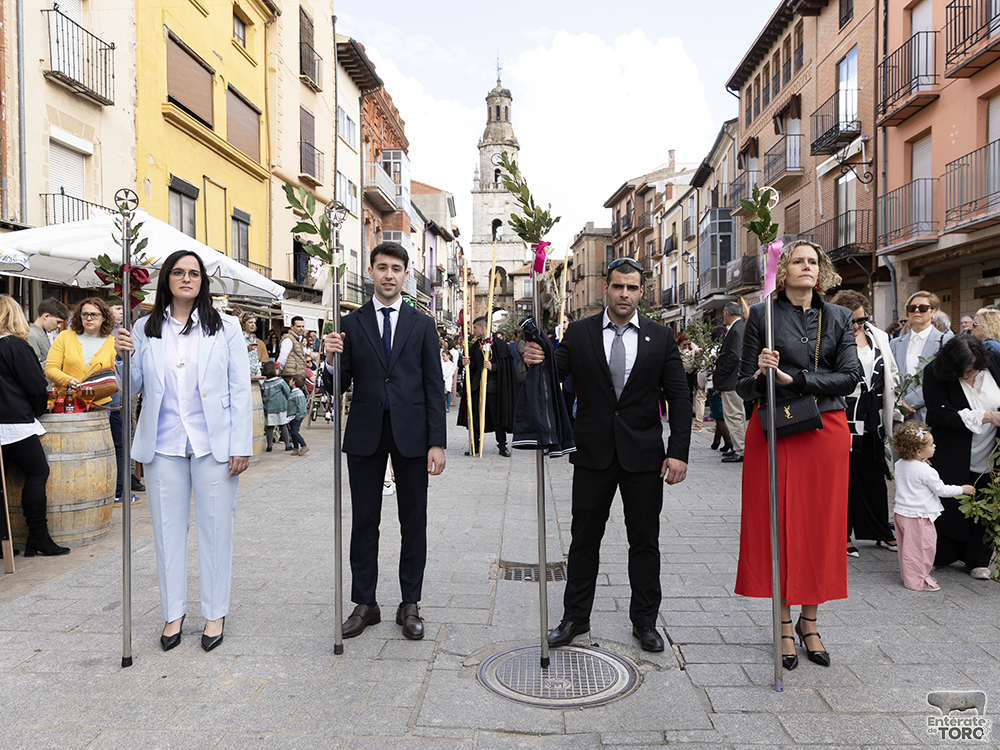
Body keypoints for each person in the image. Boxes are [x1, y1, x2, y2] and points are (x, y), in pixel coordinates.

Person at [523, 256, 691, 653]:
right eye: (618, 286)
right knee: (583, 541)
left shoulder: (661, 337)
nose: (625, 295)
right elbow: (551, 373)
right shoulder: (579, 334)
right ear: (606, 288)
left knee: (645, 542)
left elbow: (679, 398)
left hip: (644, 457)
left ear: (641, 291)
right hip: (593, 455)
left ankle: (645, 622)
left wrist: (678, 452)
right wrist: (533, 357)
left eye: (632, 288)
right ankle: (575, 618)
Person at [114, 249, 251, 652]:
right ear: (167, 280)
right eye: (178, 272)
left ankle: (214, 614)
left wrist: (241, 444)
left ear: (202, 281)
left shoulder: (225, 327)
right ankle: (173, 613)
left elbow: (239, 388)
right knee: (167, 532)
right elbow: (132, 386)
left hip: (215, 443)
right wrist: (121, 355)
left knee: (215, 529)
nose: (186, 279)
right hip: (163, 443)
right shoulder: (144, 328)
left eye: (193, 273)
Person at [735, 240, 861, 670]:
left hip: (824, 429)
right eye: (797, 260)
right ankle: (783, 625)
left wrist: (799, 378)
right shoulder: (761, 315)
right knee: (775, 523)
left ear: (820, 271)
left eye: (812, 261)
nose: (805, 267)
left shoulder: (840, 316)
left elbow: (850, 377)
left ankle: (811, 622)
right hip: (774, 428)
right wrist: (760, 373)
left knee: (819, 529)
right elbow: (739, 382)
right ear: (782, 269)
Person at [323, 241, 446, 641]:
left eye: (396, 268)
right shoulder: (351, 323)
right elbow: (338, 384)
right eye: (381, 267)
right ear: (371, 273)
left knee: (414, 521)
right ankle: (365, 603)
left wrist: (437, 442)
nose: (389, 274)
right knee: (364, 521)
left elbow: (433, 386)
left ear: (406, 274)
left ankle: (410, 603)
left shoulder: (422, 324)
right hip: (365, 431)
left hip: (413, 435)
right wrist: (330, 360)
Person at [45, 297, 138, 507]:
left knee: (95, 453)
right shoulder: (65, 337)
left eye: (94, 314)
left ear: (104, 317)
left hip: (99, 407)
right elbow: (50, 368)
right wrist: (69, 380)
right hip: (68, 405)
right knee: (70, 453)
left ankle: (97, 496)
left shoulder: (110, 342)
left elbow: (119, 371)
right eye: (84, 314)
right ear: (78, 316)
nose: (89, 318)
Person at [922, 335, 1000, 579]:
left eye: (972, 371)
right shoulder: (934, 373)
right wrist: (987, 416)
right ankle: (943, 555)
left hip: (991, 451)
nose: (968, 376)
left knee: (986, 502)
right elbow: (938, 415)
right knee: (951, 503)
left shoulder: (994, 362)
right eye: (963, 373)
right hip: (953, 451)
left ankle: (978, 560)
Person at [830, 289, 900, 558]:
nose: (859, 325)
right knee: (843, 479)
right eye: (853, 321)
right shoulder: (831, 337)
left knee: (873, 476)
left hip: (872, 418)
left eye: (863, 319)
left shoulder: (878, 335)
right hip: (843, 415)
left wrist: (895, 402)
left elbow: (890, 370)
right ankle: (842, 534)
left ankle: (880, 530)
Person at [0, 295, 69, 558]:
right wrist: (39, 409)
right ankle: (38, 537)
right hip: (14, 421)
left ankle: (4, 543)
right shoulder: (16, 346)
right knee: (38, 472)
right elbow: (37, 386)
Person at [891, 422, 975, 592]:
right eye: (930, 444)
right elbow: (941, 490)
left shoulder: (900, 464)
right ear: (918, 451)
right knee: (924, 549)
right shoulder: (926, 471)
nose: (935, 446)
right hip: (919, 516)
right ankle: (918, 580)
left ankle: (911, 575)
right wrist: (963, 489)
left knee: (907, 547)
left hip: (901, 512)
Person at [890, 291, 952, 422]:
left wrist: (910, 402)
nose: (916, 311)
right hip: (898, 413)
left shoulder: (944, 341)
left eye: (923, 308)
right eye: (912, 308)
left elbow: (943, 379)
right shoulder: (895, 343)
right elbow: (890, 376)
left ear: (933, 312)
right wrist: (898, 403)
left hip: (929, 412)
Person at [459, 316, 516, 457]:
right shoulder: (475, 345)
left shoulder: (500, 345)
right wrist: (467, 362)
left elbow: (507, 367)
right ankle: (476, 445)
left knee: (497, 417)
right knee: (476, 417)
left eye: (475, 328)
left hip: (493, 388)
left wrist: (493, 366)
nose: (473, 331)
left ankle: (502, 446)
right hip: (477, 387)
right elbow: (473, 368)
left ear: (482, 328)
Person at [714, 301, 745, 462]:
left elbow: (734, 356)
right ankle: (737, 447)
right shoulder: (738, 328)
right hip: (732, 380)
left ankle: (740, 449)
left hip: (731, 380)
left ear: (727, 313)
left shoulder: (737, 329)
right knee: (733, 414)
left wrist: (721, 372)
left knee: (734, 414)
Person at [27, 297, 68, 368]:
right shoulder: (32, 335)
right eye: (58, 322)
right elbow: (34, 367)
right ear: (46, 316)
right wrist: (59, 360)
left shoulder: (40, 333)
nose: (59, 326)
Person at [260, 361, 291, 452]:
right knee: (283, 425)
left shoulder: (264, 384)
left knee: (270, 427)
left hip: (269, 409)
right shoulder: (280, 381)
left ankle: (269, 446)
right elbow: (287, 391)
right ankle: (287, 445)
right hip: (281, 407)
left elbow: (261, 396)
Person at [278, 316, 307, 382]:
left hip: (297, 376)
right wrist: (283, 373)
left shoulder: (297, 339)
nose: (301, 329)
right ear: (292, 327)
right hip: (290, 376)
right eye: (298, 326)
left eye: (303, 326)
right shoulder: (288, 340)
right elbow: (281, 360)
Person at [286, 373, 309, 456]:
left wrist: (298, 416)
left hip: (296, 416)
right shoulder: (293, 392)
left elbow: (301, 407)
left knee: (295, 432)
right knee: (293, 432)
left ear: (294, 382)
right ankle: (295, 448)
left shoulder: (298, 394)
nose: (289, 381)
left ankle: (304, 445)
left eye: (291, 380)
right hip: (292, 416)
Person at [240, 312, 267, 378]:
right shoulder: (239, 337)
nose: (253, 325)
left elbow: (255, 359)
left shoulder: (253, 339)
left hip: (254, 375)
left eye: (254, 323)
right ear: (243, 323)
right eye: (250, 322)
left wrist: (259, 377)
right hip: (244, 374)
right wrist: (246, 350)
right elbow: (235, 355)